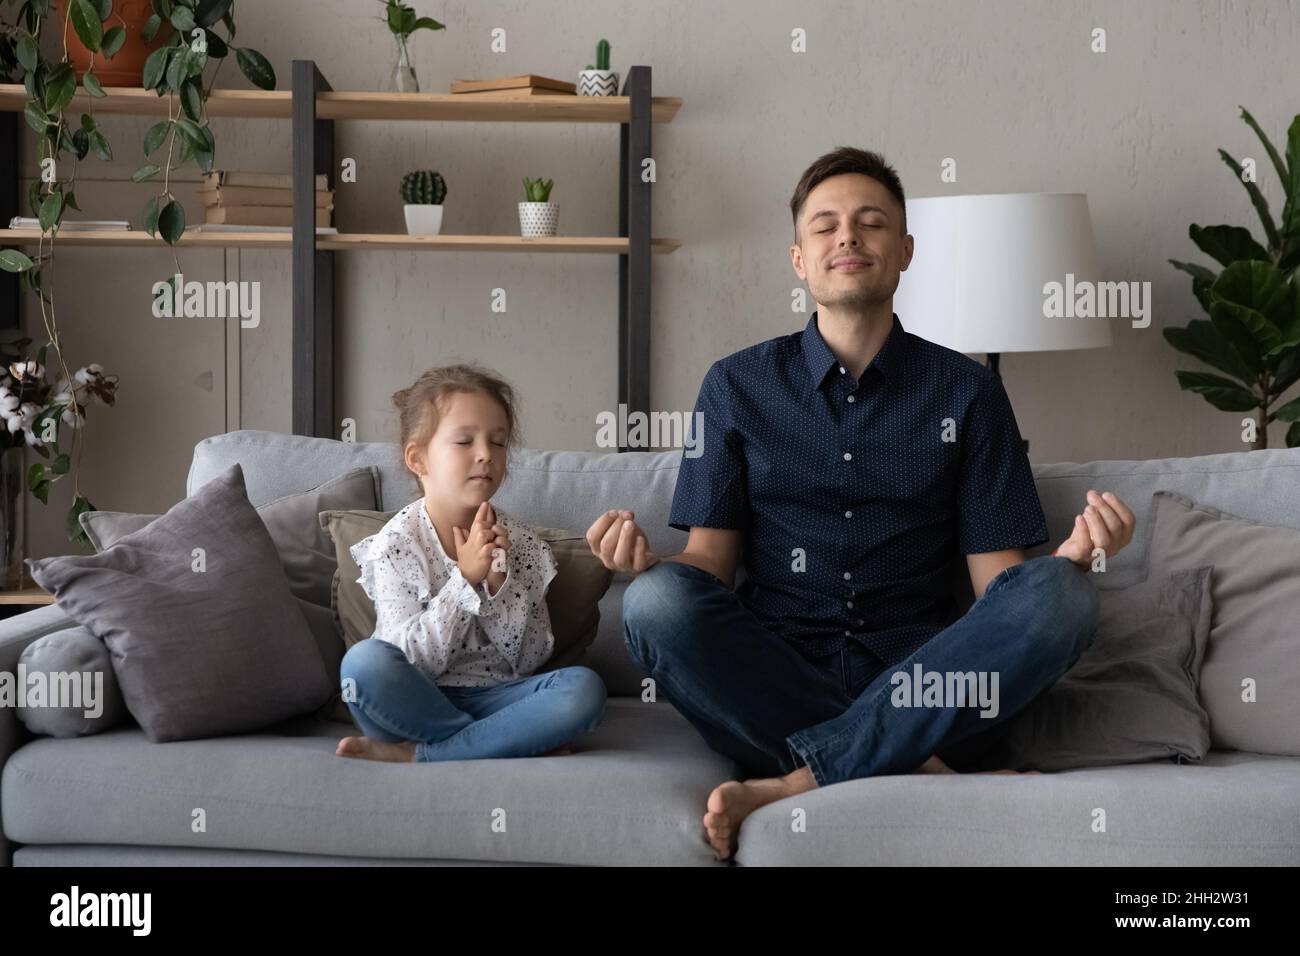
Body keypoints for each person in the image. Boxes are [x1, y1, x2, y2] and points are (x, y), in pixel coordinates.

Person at [585, 147, 1136, 859]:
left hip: (929, 681)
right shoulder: (735, 386)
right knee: (656, 601)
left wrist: (1067, 563)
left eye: (870, 223)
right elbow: (708, 569)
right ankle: (915, 766)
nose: (847, 237)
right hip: (773, 675)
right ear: (798, 258)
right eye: (826, 226)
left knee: (1063, 594)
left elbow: (999, 591)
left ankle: (796, 781)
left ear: (904, 252)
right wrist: (648, 563)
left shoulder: (968, 393)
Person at [337, 363, 606, 763]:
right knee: (363, 664)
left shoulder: (524, 546)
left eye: (498, 443)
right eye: (464, 442)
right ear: (418, 459)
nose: (486, 455)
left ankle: (422, 754)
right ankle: (497, 743)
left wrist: (501, 588)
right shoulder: (397, 544)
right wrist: (464, 582)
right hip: (417, 701)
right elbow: (408, 659)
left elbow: (531, 658)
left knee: (583, 690)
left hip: (501, 699)